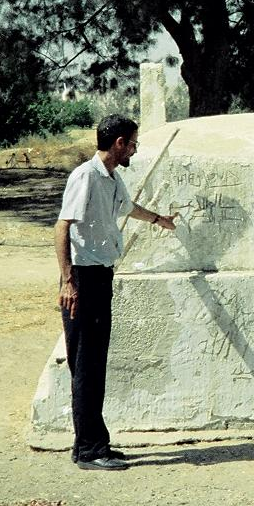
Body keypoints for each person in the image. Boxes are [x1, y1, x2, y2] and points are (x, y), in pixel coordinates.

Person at [55, 114, 176, 471]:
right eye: (133, 143)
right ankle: (91, 450)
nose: (135, 150)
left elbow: (129, 208)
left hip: (100, 276)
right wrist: (67, 280)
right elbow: (62, 227)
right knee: (86, 365)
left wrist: (159, 221)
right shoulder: (85, 177)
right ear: (119, 143)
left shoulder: (111, 179)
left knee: (92, 363)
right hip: (83, 279)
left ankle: (91, 444)